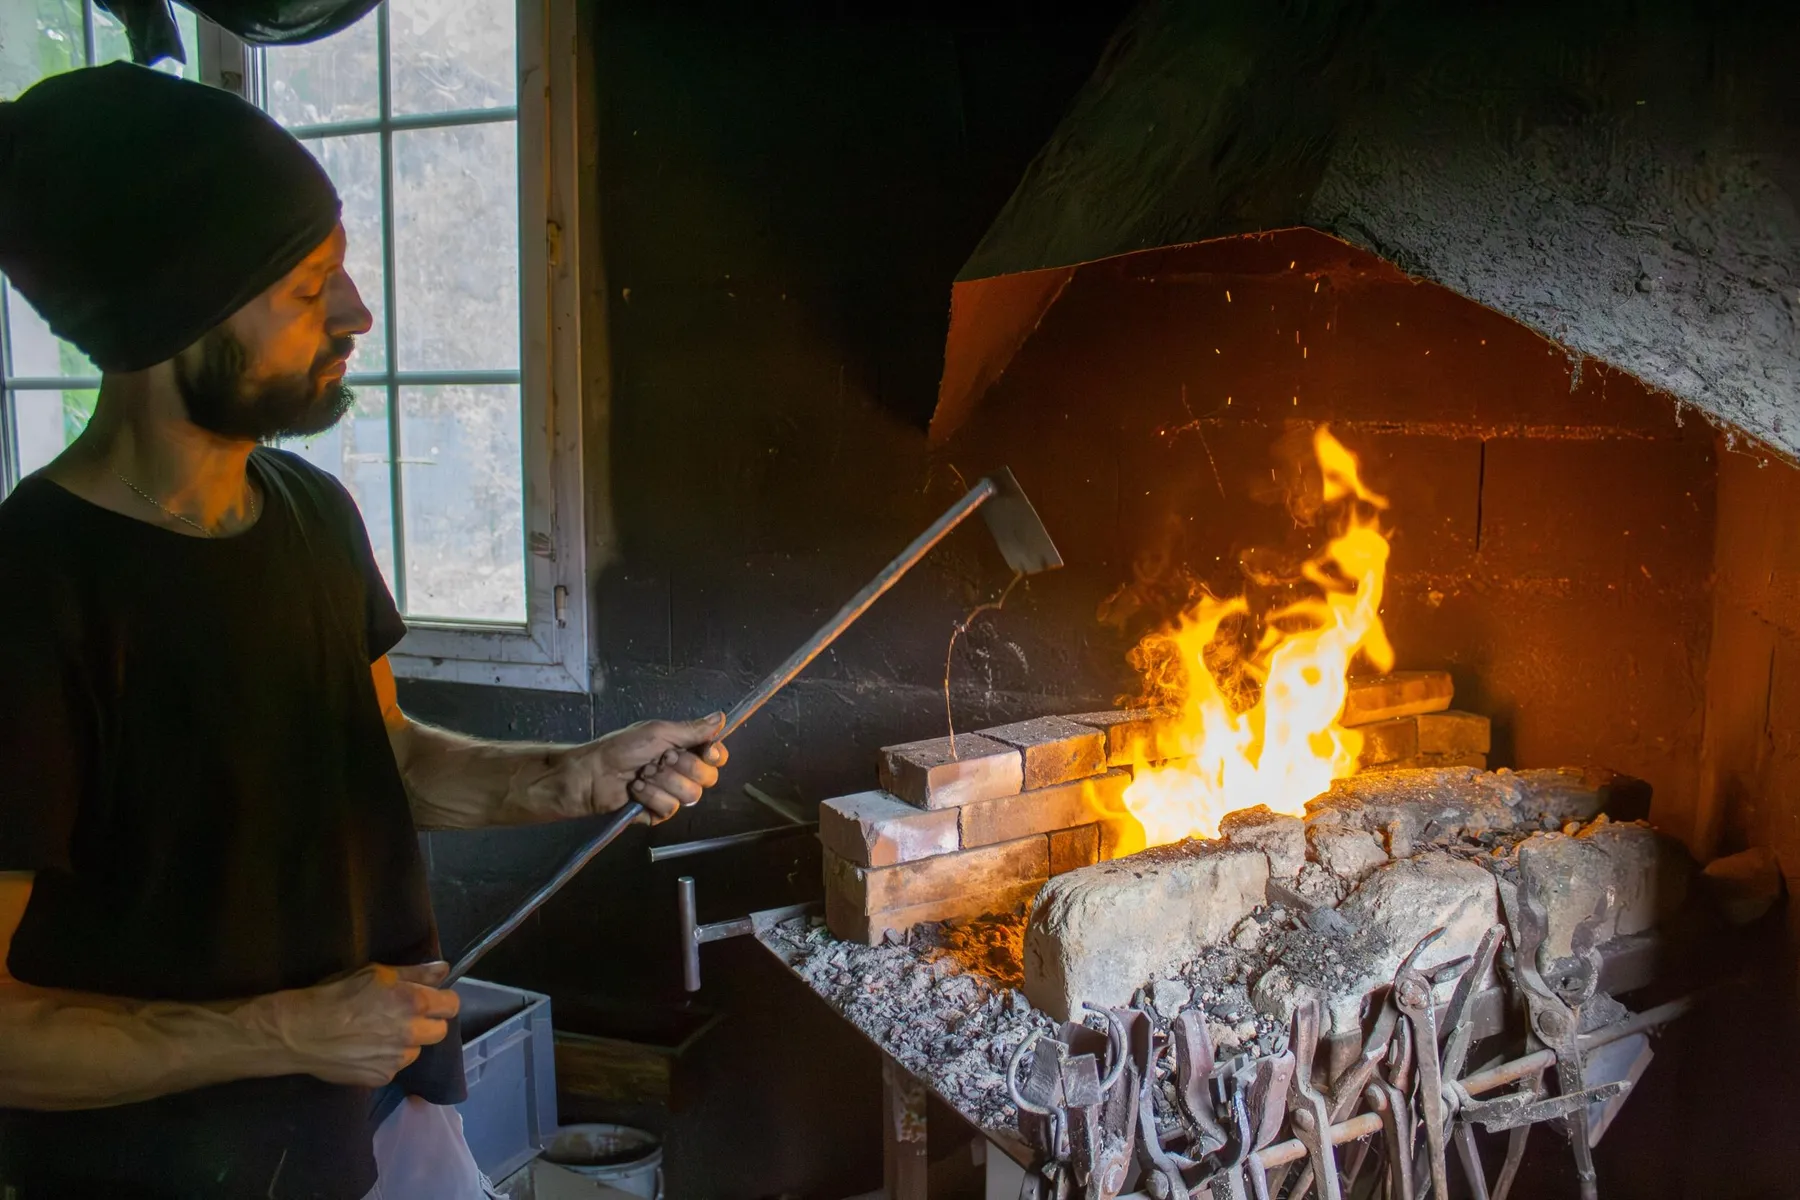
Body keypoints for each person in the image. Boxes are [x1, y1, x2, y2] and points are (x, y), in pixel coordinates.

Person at [0, 63, 726, 1198]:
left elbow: (378, 760)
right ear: (170, 312)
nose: (356, 315)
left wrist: (572, 775)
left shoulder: (309, 515)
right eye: (305, 286)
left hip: (379, 1125)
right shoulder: (32, 586)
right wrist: (283, 1034)